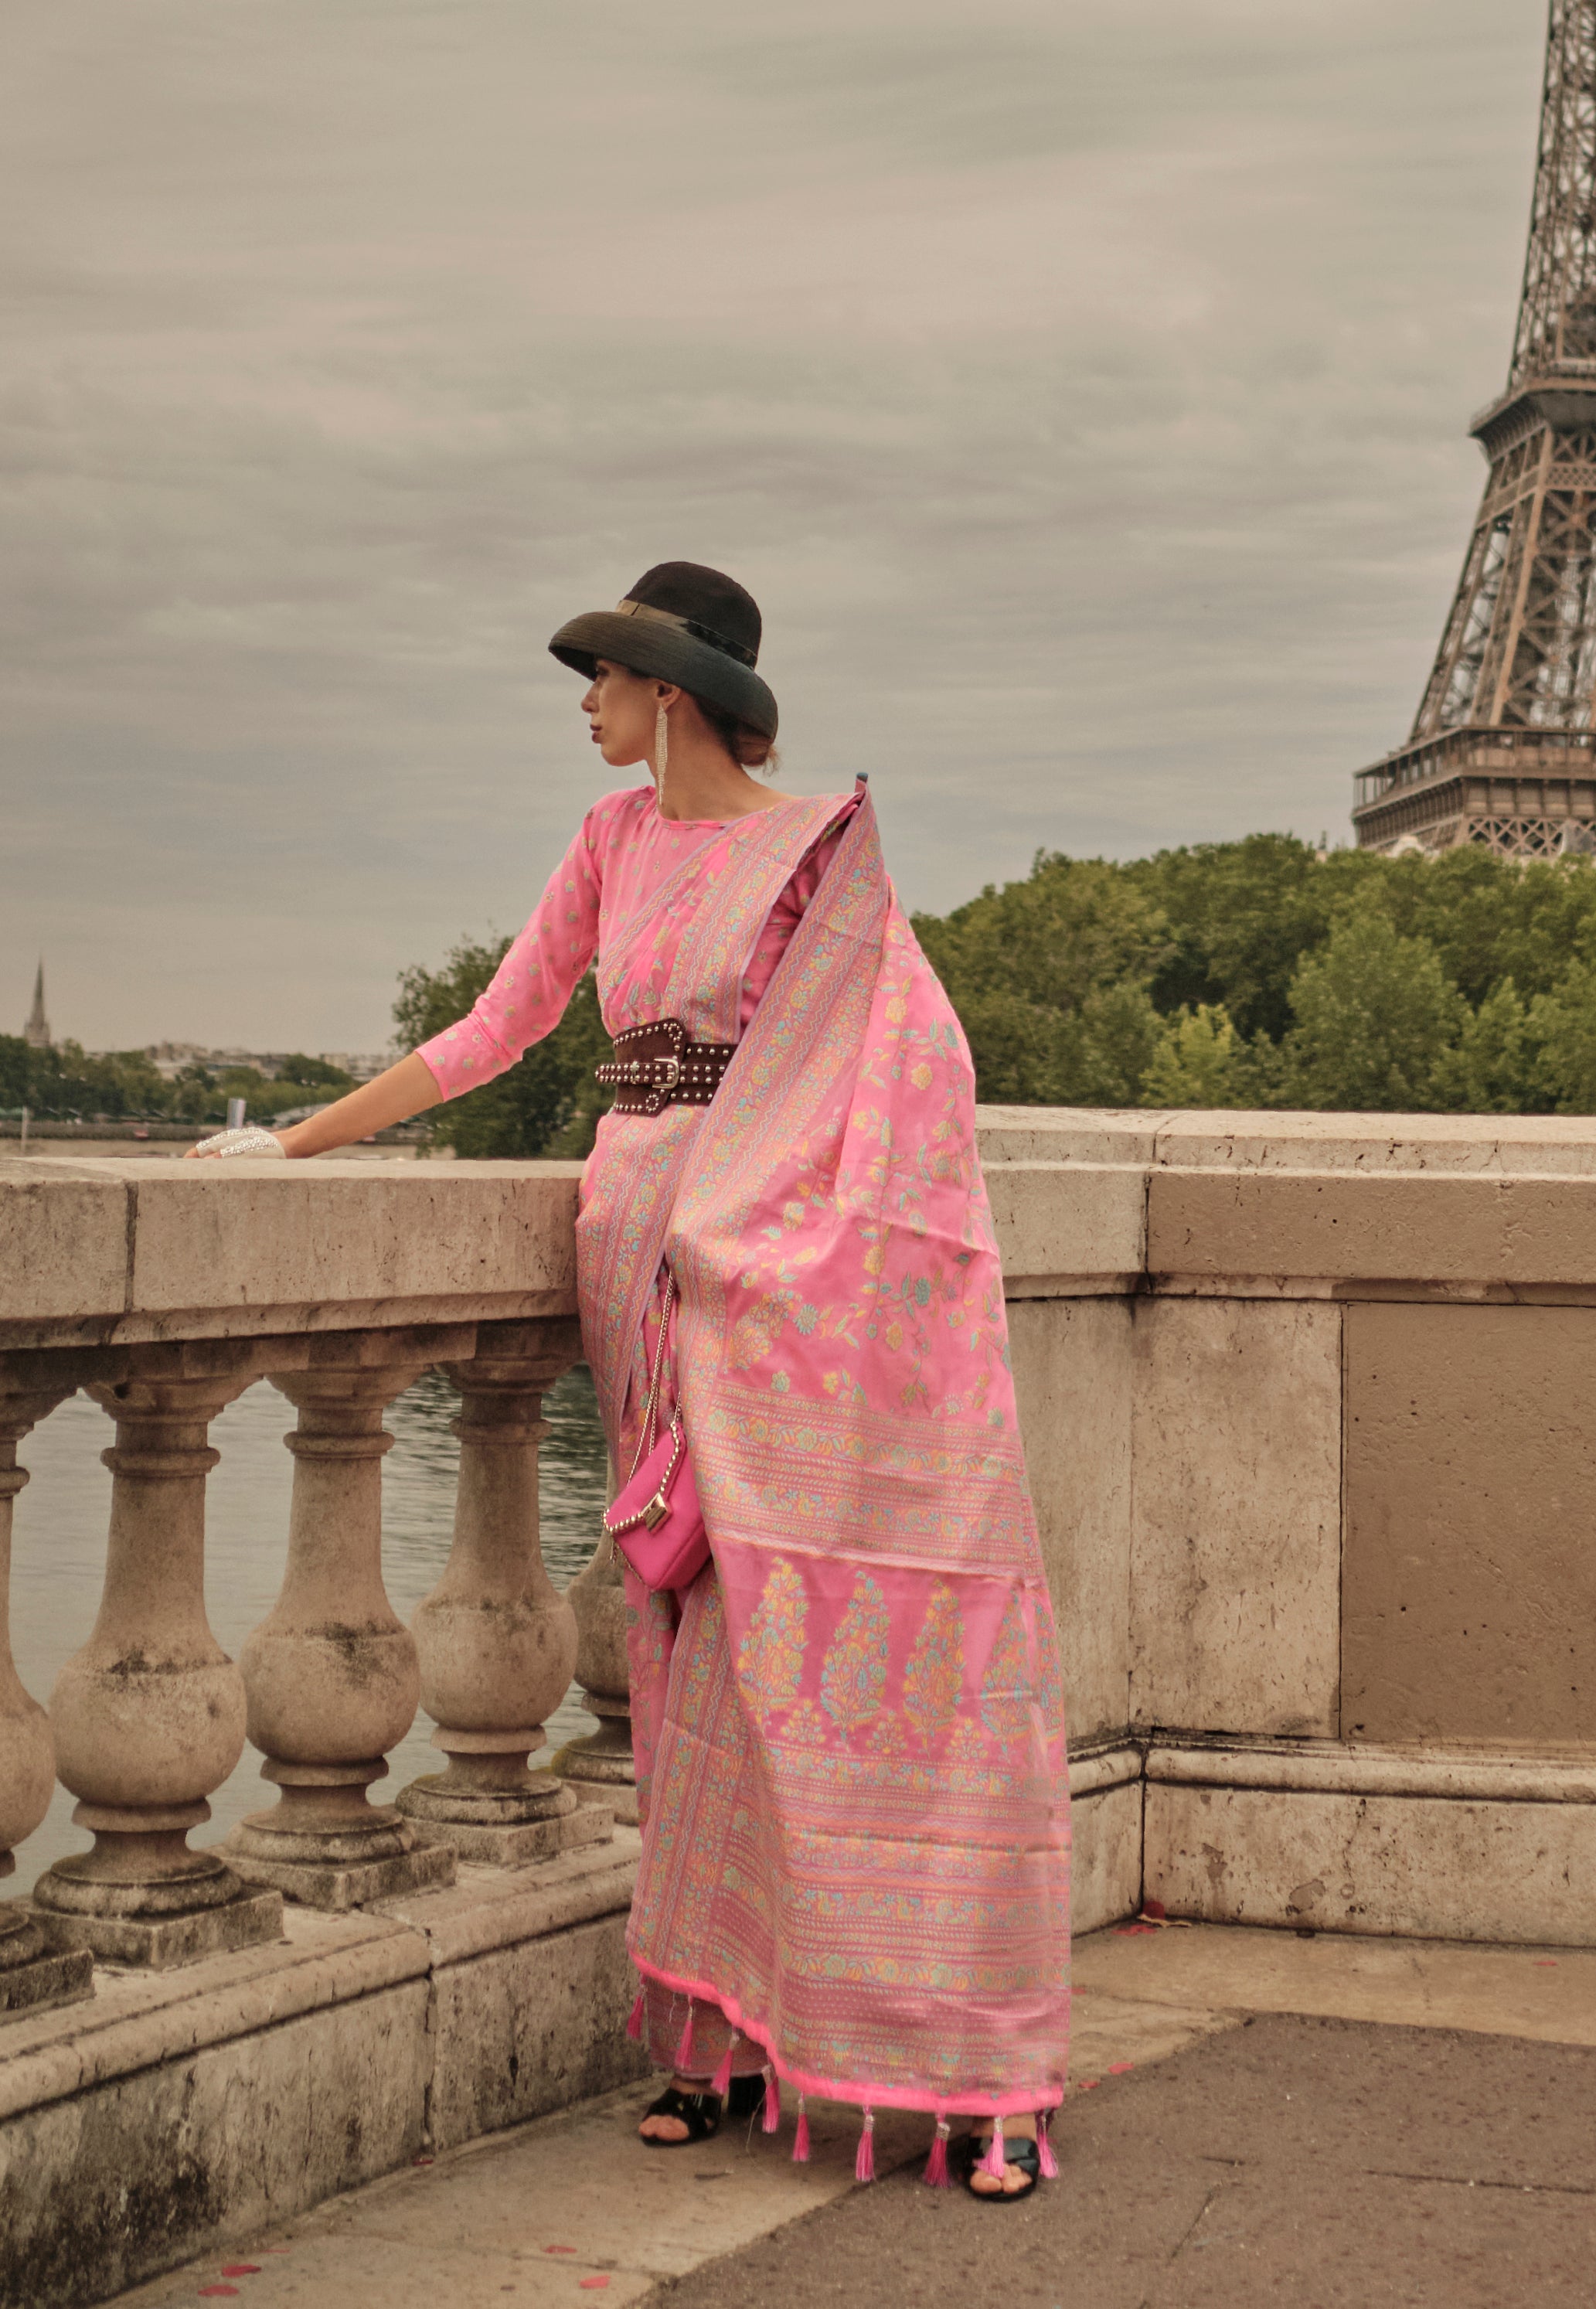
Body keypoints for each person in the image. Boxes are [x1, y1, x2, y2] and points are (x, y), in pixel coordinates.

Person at [193, 561, 1071, 2200]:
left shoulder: (819, 858)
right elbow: (491, 1034)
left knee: (840, 1635)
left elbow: (907, 1082)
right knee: (686, 1634)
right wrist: (285, 1142)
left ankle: (972, 2066)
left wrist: (760, 1226)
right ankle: (708, 2039)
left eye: (595, 679)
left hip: (778, 1261)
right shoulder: (610, 845)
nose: (580, 708)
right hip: (639, 1250)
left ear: (667, 692)